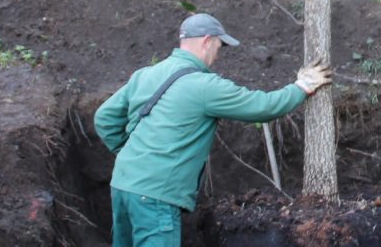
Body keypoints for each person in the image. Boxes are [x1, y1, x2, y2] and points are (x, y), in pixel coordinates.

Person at [94, 13, 332, 247]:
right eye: (219, 46)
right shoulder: (205, 86)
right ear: (207, 41)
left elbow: (104, 118)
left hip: (123, 185)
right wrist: (302, 86)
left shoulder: (145, 75)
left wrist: (133, 156)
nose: (218, 55)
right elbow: (263, 106)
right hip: (155, 194)